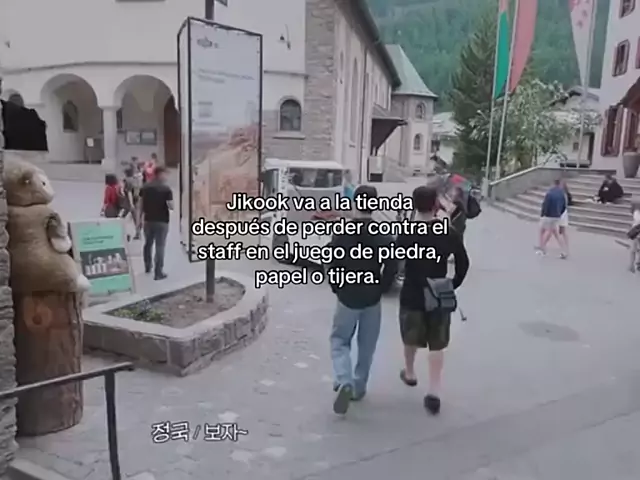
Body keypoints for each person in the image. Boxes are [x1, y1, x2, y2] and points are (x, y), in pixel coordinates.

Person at [397, 186, 469, 415]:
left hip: (412, 292)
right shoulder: (448, 232)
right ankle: (434, 390)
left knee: (410, 335)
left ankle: (409, 372)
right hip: (438, 293)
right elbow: (463, 262)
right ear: (435, 204)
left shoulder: (407, 232)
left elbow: (396, 260)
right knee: (437, 343)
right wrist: (452, 284)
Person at [327, 185, 398, 415]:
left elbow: (331, 261)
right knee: (367, 345)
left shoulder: (342, 232)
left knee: (339, 340)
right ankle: (359, 386)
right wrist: (383, 287)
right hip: (372, 297)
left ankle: (344, 379)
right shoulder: (383, 235)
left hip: (347, 295)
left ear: (355, 203)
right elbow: (392, 265)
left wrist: (336, 286)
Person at [138, 166, 173, 280]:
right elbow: (171, 206)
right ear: (160, 174)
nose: (166, 177)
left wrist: (139, 219)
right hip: (162, 221)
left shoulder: (145, 187)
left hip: (148, 220)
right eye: (165, 174)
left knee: (148, 243)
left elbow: (140, 205)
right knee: (160, 245)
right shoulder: (166, 189)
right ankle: (158, 272)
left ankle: (147, 266)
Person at [536, 179, 568, 258]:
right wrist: (559, 213)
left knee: (545, 230)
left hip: (548, 215)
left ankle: (542, 249)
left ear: (553, 184)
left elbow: (545, 204)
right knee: (555, 233)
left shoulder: (550, 193)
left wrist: (543, 214)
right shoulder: (562, 194)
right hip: (557, 215)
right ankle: (564, 250)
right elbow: (564, 206)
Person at [123, 166, 142, 239]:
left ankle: (124, 233)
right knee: (136, 218)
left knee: (123, 218)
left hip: (129, 202)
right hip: (137, 200)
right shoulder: (137, 180)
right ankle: (138, 233)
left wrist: (131, 204)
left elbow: (129, 193)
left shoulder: (127, 181)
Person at [558, 178, 572, 256]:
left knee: (560, 232)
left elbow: (562, 205)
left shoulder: (562, 194)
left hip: (560, 214)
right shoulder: (564, 194)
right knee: (561, 232)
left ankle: (564, 250)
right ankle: (565, 248)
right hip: (563, 213)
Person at [628, 200, 640, 273]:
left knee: (633, 249)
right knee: (634, 249)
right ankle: (634, 264)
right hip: (636, 232)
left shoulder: (636, 212)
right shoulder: (637, 212)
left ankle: (633, 264)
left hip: (635, 232)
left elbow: (635, 221)